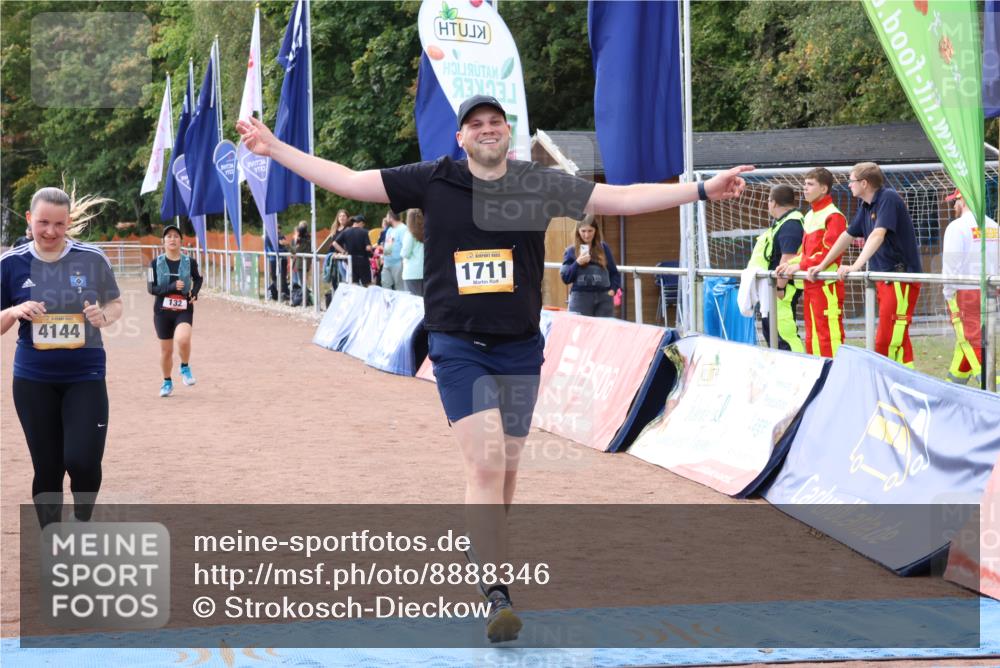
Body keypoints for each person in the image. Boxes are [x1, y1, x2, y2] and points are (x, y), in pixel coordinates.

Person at [237, 93, 751, 643]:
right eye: (475, 124)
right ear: (460, 137)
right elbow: (345, 179)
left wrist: (702, 189)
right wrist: (273, 148)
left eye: (495, 122)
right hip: (457, 343)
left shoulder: (537, 182)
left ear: (507, 132)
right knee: (484, 462)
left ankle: (485, 548)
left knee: (504, 470)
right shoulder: (433, 179)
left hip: (520, 346)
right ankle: (496, 590)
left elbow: (619, 198)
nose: (486, 130)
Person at [0, 186, 123, 528]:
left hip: (85, 376)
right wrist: (14, 309)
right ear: (29, 219)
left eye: (58, 223)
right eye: (43, 223)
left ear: (68, 221)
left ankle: (82, 521)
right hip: (32, 380)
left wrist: (105, 317)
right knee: (48, 467)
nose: (51, 231)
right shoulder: (10, 264)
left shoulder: (91, 258)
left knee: (83, 461)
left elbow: (115, 303)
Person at [807, 162, 923, 367]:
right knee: (898, 338)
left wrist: (855, 266)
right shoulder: (865, 206)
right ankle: (903, 387)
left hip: (899, 278)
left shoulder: (888, 198)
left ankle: (885, 385)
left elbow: (878, 234)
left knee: (886, 341)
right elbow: (847, 235)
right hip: (884, 278)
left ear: (864, 183)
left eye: (851, 181)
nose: (848, 185)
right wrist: (823, 265)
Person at [777, 168, 847, 357]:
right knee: (812, 336)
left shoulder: (834, 216)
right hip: (811, 283)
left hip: (826, 285)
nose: (804, 189)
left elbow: (828, 252)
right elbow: (806, 252)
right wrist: (790, 263)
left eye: (810, 184)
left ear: (823, 189)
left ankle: (835, 376)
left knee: (829, 335)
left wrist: (800, 264)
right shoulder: (809, 215)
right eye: (804, 184)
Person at [941, 189, 999, 385]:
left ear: (963, 200)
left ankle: (993, 389)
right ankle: (952, 389)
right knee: (972, 340)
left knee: (971, 342)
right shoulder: (993, 226)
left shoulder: (956, 227)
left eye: (955, 201)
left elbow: (951, 265)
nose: (954, 206)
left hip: (963, 292)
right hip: (990, 291)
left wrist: (948, 293)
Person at [147, 224, 203, 397]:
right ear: (163, 241)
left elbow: (198, 279)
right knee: (167, 351)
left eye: (175, 236)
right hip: (162, 311)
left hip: (183, 308)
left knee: (183, 339)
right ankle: (167, 382)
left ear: (181, 241)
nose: (172, 239)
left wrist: (194, 292)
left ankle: (185, 367)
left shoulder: (189, 261)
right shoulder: (154, 263)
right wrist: (171, 286)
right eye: (169, 236)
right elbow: (151, 288)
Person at [748, 185, 804, 351]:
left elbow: (788, 259)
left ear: (773, 202)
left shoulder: (791, 224)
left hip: (782, 289)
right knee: (772, 332)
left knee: (784, 334)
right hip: (774, 286)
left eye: (768, 201)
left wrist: (780, 287)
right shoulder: (785, 221)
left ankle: (798, 369)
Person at [560, 215, 621, 317]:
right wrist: (577, 263)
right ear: (578, 231)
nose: (587, 235)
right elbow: (566, 278)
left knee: (604, 331)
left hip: (604, 299)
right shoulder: (571, 251)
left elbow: (614, 273)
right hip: (580, 299)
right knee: (580, 330)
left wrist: (613, 290)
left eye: (590, 231)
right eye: (583, 231)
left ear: (595, 231)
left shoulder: (604, 248)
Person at [332, 215, 372, 286]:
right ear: (361, 223)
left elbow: (334, 243)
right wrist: (372, 249)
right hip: (363, 261)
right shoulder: (364, 232)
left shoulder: (346, 232)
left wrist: (344, 252)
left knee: (354, 285)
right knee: (367, 285)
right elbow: (368, 248)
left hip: (351, 261)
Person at [401, 209, 425, 296]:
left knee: (413, 303)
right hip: (425, 272)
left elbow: (405, 253)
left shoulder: (409, 234)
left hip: (411, 273)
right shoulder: (427, 232)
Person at [381, 210, 406, 291]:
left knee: (400, 289)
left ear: (391, 217)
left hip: (398, 264)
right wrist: (383, 258)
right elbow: (388, 247)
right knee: (385, 286)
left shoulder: (403, 229)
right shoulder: (390, 230)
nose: (386, 218)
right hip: (387, 264)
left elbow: (405, 246)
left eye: (387, 216)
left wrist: (403, 262)